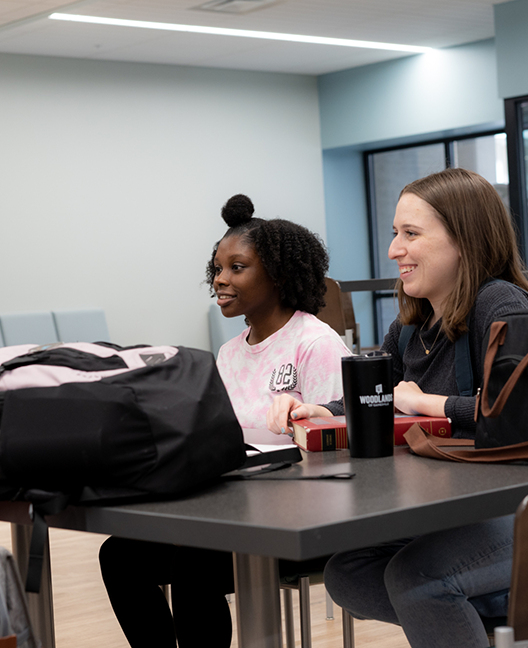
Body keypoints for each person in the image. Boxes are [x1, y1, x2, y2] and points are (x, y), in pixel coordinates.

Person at [268, 168, 528, 648]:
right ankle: (481, 615)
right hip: (455, 507)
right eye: (396, 234)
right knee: (348, 575)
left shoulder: (501, 304)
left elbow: (518, 411)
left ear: (465, 239)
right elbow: (380, 399)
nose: (395, 249)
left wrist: (427, 402)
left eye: (410, 234)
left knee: (420, 581)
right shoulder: (412, 324)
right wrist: (320, 410)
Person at [99, 194, 351, 648]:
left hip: (306, 519)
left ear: (279, 275)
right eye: (217, 269)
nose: (220, 280)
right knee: (119, 555)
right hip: (235, 512)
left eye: (237, 268)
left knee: (193, 561)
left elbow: (344, 438)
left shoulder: (315, 342)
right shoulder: (229, 353)